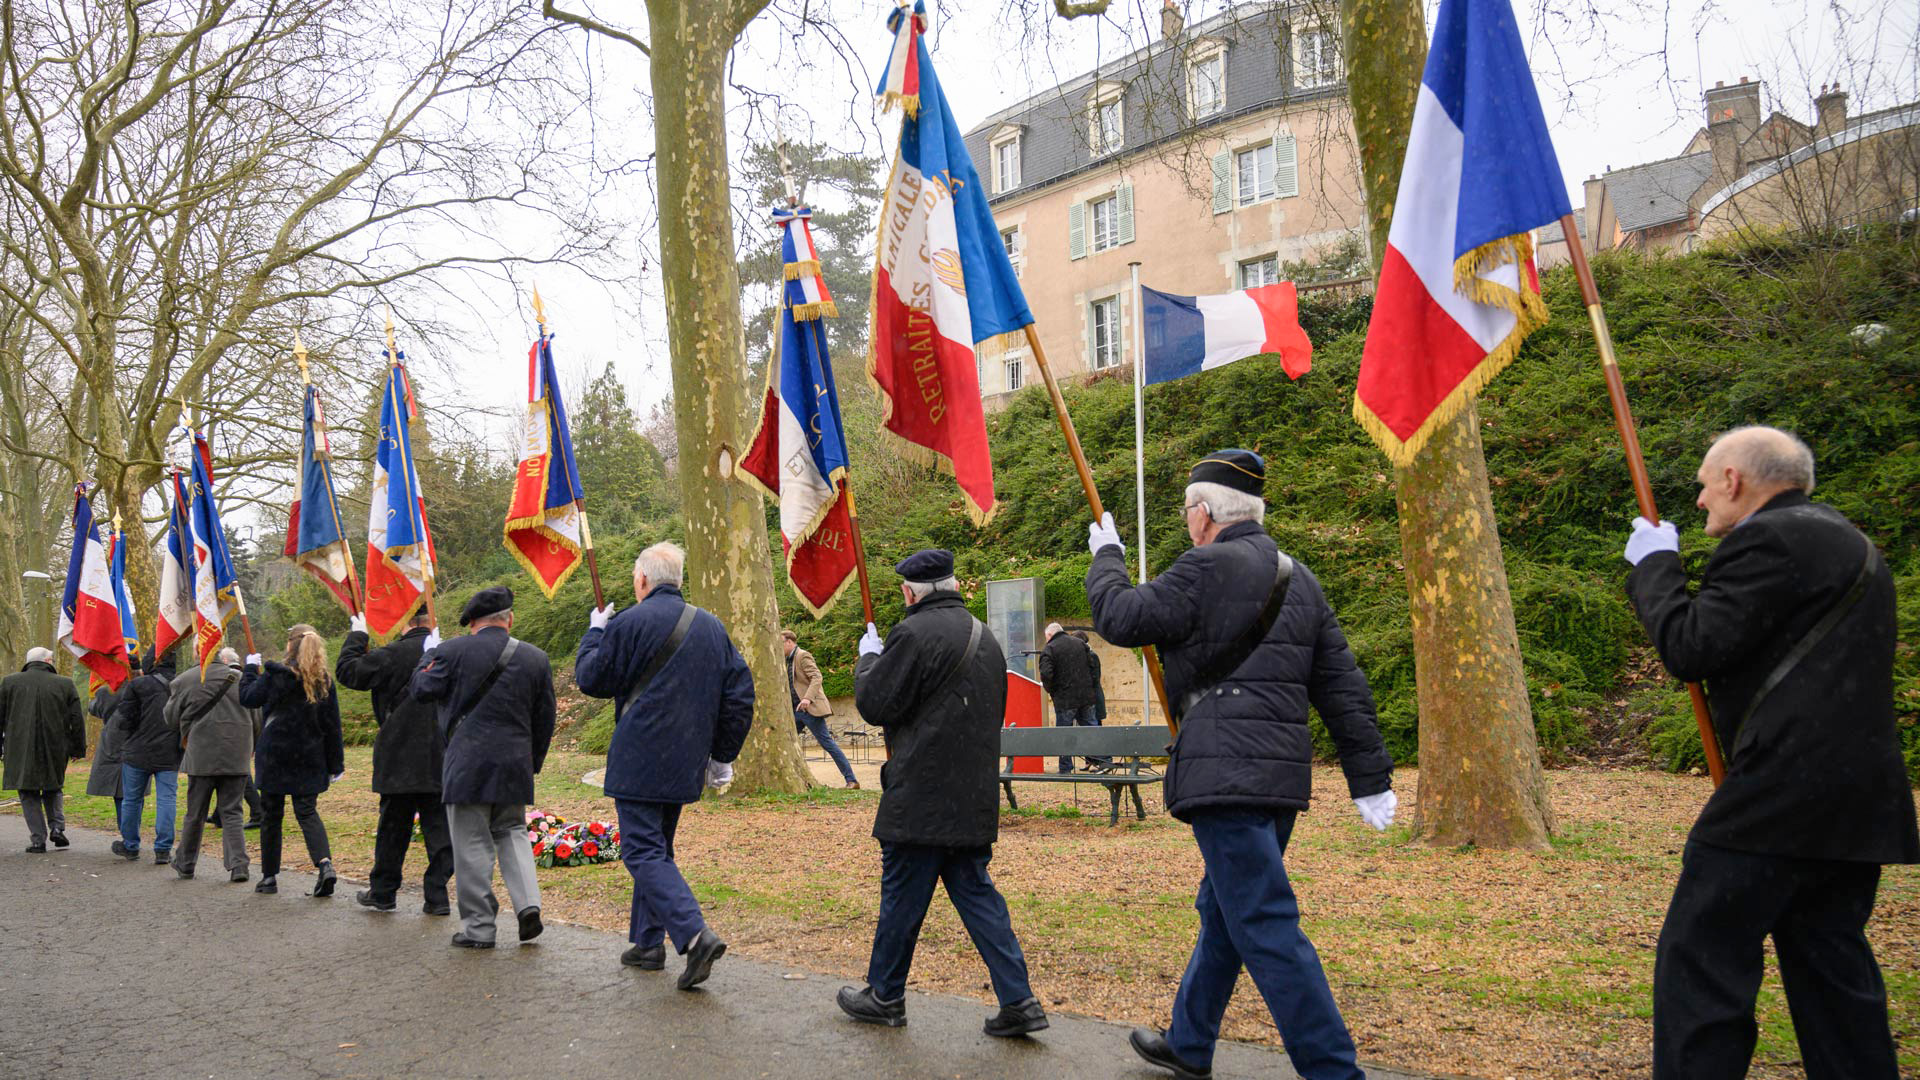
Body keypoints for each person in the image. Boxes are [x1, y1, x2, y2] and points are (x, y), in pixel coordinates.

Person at [1086, 449, 1396, 1080]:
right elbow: (1342, 686)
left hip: (1223, 776)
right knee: (1226, 911)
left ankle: (1335, 1070)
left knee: (1265, 924)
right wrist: (1371, 779)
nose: (1185, 522)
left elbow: (1120, 617)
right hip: (1278, 781)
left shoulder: (1202, 567)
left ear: (1203, 514)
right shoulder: (1297, 576)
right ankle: (1190, 1041)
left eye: (1185, 512)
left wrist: (1107, 557)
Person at [1622, 425, 1919, 1080]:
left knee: (1700, 962)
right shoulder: (1857, 546)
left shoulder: (1770, 539)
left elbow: (1692, 647)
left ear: (1733, 481)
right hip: (1858, 806)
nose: (1699, 502)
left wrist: (1655, 566)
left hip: (1779, 799)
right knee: (1833, 978)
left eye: (1703, 487)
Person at [837, 549, 1048, 1038]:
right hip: (971, 792)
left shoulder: (910, 634)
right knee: (978, 897)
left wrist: (870, 659)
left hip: (922, 794)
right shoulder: (986, 637)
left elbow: (874, 703)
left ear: (910, 593)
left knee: (902, 899)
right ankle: (1019, 999)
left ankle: (885, 995)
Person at [576, 543, 752, 989]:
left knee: (641, 851)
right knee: (658, 850)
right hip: (686, 759)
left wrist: (595, 633)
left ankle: (694, 935)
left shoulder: (627, 623)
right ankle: (647, 943)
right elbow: (739, 694)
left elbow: (592, 680)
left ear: (641, 581)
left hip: (640, 756)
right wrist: (722, 754)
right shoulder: (712, 626)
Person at [411, 586, 555, 950]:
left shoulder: (450, 651)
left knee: (472, 843)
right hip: (514, 763)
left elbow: (422, 690)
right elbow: (545, 718)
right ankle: (528, 906)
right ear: (510, 619)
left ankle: (479, 928)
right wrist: (532, 761)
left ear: (472, 623)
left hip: (468, 765)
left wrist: (426, 657)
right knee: (513, 833)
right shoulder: (536, 658)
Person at [337, 608, 453, 916]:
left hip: (397, 752)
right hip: (439, 752)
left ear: (404, 620)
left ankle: (384, 892)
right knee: (440, 829)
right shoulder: (449, 653)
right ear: (432, 620)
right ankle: (437, 896)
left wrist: (358, 636)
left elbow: (348, 671)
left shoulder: (390, 654)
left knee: (393, 829)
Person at [240, 625, 345, 898]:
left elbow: (248, 698)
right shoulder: (323, 680)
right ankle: (325, 865)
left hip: (275, 753)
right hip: (310, 754)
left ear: (290, 645)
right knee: (307, 812)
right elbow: (332, 725)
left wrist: (250, 670)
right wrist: (336, 765)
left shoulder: (275, 675)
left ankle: (269, 876)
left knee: (271, 816)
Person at [165, 646, 257, 882]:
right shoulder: (239, 678)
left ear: (197, 651)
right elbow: (257, 718)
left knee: (195, 813)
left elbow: (170, 718)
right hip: (237, 753)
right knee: (233, 811)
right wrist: (251, 746)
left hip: (201, 754)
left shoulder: (184, 680)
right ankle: (239, 866)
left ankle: (185, 864)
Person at [1, 647, 86, 852]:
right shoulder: (64, 684)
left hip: (19, 746)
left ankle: (38, 839)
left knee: (27, 791)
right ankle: (57, 828)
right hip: (56, 744)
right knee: (53, 786)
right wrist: (77, 748)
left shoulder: (10, 683)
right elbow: (77, 719)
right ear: (48, 661)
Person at [112, 647, 180, 864]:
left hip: (137, 751)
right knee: (166, 799)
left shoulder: (138, 685)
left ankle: (130, 845)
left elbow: (125, 718)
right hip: (169, 751)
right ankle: (163, 849)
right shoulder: (180, 684)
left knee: (131, 800)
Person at [783, 629, 858, 789]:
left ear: (789, 642)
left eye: (780, 643)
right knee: (786, 741)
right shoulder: (786, 660)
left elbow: (817, 677)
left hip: (809, 709)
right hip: (795, 711)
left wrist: (807, 699)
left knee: (827, 744)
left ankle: (852, 780)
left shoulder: (802, 655)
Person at [1038, 621, 1108, 772]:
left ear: (1050, 635)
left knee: (1064, 733)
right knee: (1092, 729)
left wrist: (1053, 691)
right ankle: (1104, 761)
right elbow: (1092, 666)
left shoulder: (1050, 649)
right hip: (1086, 696)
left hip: (1065, 699)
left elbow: (1045, 674)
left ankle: (1066, 767)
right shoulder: (1080, 644)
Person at [85, 681, 126, 817]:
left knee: (119, 792)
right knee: (134, 791)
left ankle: (126, 831)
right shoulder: (142, 687)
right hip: (135, 741)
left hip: (112, 740)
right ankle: (131, 830)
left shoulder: (105, 691)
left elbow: (93, 709)